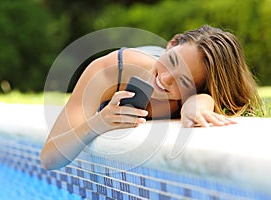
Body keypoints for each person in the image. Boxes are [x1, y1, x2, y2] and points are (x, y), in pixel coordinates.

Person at [41, 25, 264, 170]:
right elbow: (49, 158)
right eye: (173, 60)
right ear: (172, 44)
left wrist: (198, 104)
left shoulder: (196, 92)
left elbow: (205, 100)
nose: (165, 79)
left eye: (183, 81)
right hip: (143, 57)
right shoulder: (110, 71)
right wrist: (96, 124)